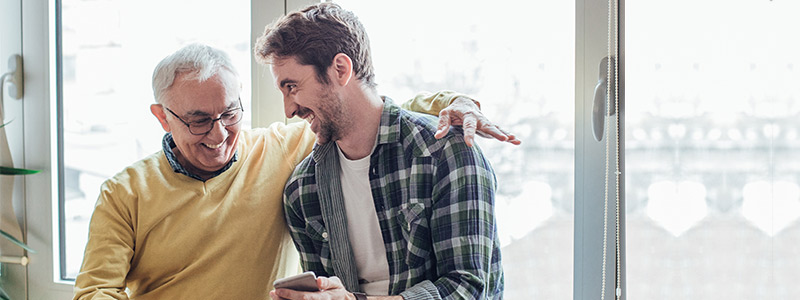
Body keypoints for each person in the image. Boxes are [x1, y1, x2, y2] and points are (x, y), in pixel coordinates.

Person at [73, 43, 515, 300]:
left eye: (230, 113)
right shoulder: (124, 193)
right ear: (161, 116)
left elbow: (369, 110)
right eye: (197, 120)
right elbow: (95, 292)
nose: (218, 134)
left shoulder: (283, 148)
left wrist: (454, 103)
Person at [255, 3, 508, 300]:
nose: (289, 109)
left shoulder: (446, 154)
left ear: (340, 69)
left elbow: (467, 289)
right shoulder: (302, 190)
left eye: (292, 87)